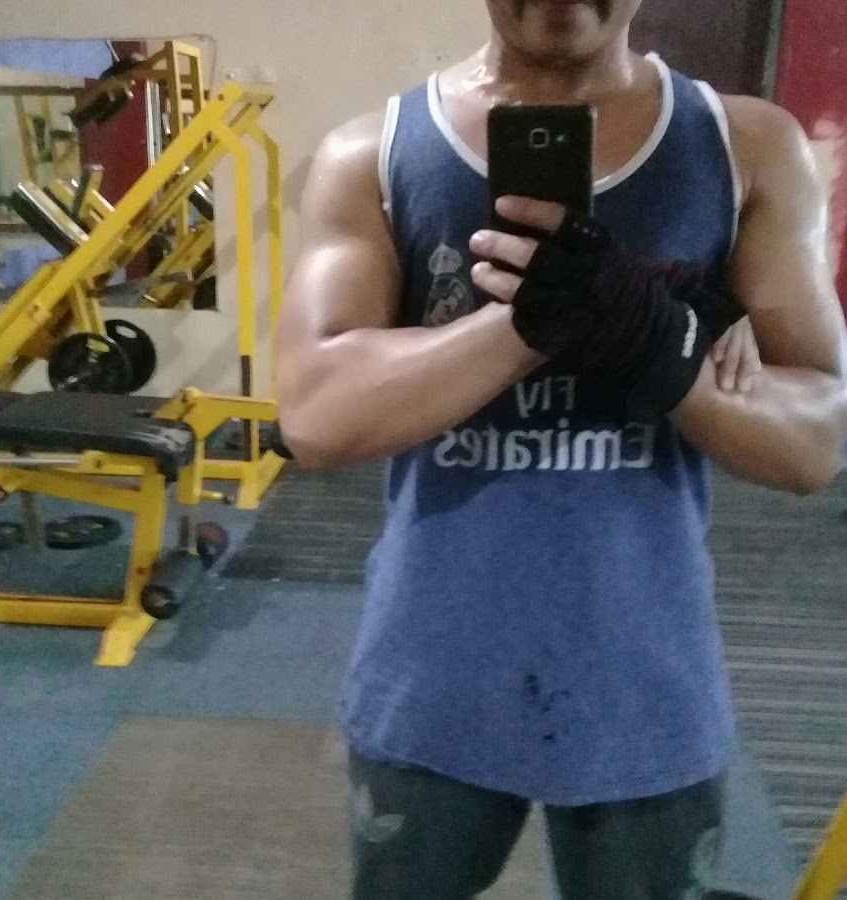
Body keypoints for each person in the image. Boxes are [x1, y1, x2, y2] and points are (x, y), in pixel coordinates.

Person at [276, 1, 847, 896]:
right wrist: (530, 325)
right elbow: (316, 414)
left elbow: (816, 443)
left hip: (645, 678)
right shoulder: (371, 153)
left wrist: (654, 340)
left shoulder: (747, 147)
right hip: (434, 671)